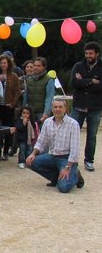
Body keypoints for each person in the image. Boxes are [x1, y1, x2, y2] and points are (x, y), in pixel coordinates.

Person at [26, 97, 84, 193]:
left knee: (63, 188)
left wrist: (68, 167)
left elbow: (75, 149)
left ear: (65, 109)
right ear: (52, 109)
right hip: (52, 156)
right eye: (55, 107)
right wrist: (33, 154)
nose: (58, 109)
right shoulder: (48, 122)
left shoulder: (73, 124)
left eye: (60, 107)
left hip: (67, 159)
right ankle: (56, 177)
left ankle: (75, 175)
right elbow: (41, 141)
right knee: (31, 162)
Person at [70, 41, 102, 172]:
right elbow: (74, 82)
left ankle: (89, 160)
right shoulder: (78, 66)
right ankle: (70, 159)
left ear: (97, 54)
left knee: (91, 135)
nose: (88, 55)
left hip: (95, 107)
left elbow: (101, 86)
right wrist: (91, 80)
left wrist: (82, 80)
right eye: (86, 53)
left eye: (91, 53)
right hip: (79, 106)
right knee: (72, 133)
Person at [0, 54, 21, 159]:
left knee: (9, 129)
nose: (3, 65)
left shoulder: (13, 76)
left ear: (8, 63)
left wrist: (13, 103)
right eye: (1, 63)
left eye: (5, 63)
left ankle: (6, 151)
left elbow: (18, 91)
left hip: (9, 106)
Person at [23, 57, 55, 124]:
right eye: (34, 65)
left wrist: (46, 113)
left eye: (38, 66)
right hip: (30, 112)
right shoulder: (29, 79)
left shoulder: (49, 80)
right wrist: (23, 111)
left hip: (42, 112)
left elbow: (49, 98)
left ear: (44, 67)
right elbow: (26, 96)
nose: (36, 67)